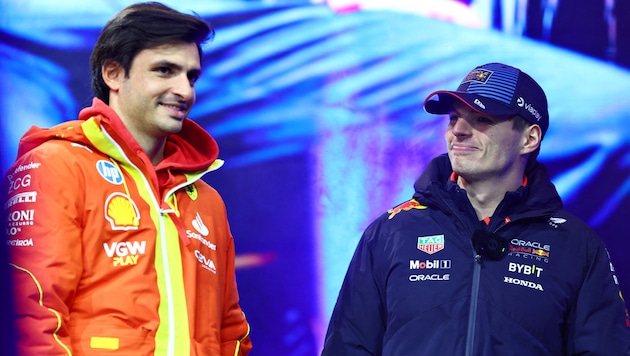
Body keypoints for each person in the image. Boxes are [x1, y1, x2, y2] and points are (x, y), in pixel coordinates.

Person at [321, 62, 630, 355]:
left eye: (482, 119)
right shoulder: (391, 232)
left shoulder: (576, 246)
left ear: (529, 138)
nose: (458, 131)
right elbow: (347, 347)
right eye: (454, 118)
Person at [3, 2, 252, 355]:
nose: (184, 91)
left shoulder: (206, 199)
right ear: (113, 74)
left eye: (191, 76)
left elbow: (231, 332)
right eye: (165, 70)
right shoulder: (55, 165)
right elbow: (31, 315)